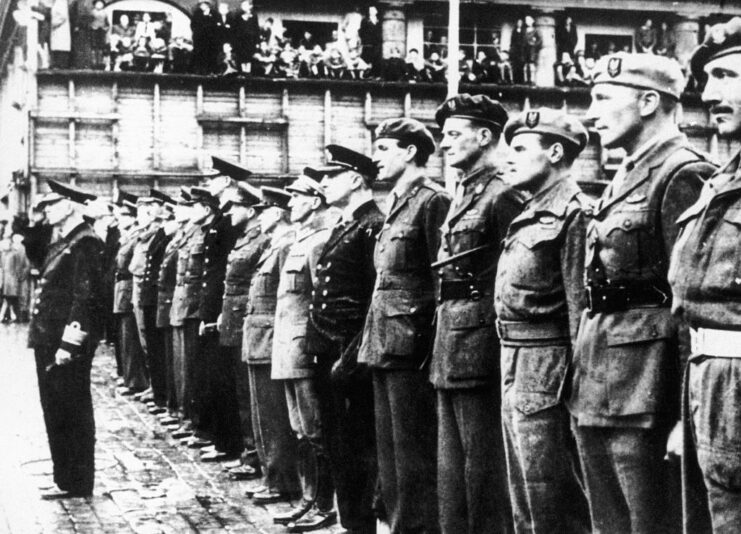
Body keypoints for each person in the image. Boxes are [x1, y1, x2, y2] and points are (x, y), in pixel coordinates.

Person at [568, 52, 717, 534]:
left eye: (602, 98)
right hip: (600, 380)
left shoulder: (683, 173)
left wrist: (684, 416)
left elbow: (691, 306)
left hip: (648, 393)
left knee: (650, 523)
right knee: (609, 523)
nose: (591, 114)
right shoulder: (627, 171)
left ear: (649, 102)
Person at [497, 108, 592, 533]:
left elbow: (580, 307)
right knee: (523, 487)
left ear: (555, 152)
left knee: (550, 489)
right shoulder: (530, 209)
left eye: (519, 149)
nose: (508, 159)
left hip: (548, 363)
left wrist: (577, 384)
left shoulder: (574, 213)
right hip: (515, 358)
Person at [432, 94, 521, 534]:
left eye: (453, 134)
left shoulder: (503, 193)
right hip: (451, 339)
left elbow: (512, 274)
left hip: (479, 344)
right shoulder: (465, 189)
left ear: (485, 136)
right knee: (453, 466)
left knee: (482, 466)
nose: (444, 144)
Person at [360, 118, 451, 534]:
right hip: (384, 341)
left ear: (410, 151)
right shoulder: (398, 202)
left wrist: (430, 346)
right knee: (391, 452)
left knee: (413, 453)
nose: (375, 158)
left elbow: (440, 282)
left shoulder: (433, 201)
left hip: (412, 346)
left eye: (383, 149)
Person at [670, 17, 741, 532]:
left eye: (729, 77)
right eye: (709, 78)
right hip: (706, 380)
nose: (710, 92)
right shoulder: (720, 181)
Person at [303, 145, 384, 534]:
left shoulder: (372, 225)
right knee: (338, 446)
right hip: (328, 350)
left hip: (349, 354)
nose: (323, 184)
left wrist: (351, 358)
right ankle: (352, 522)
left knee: (355, 449)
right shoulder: (345, 224)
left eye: (330, 176)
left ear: (355, 180)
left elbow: (376, 298)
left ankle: (361, 525)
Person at [28, 179, 103, 499]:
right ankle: (65, 479)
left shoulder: (85, 242)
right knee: (55, 411)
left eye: (53, 204)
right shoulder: (65, 240)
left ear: (71, 205)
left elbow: (84, 299)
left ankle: (78, 481)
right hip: (48, 339)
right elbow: (35, 254)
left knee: (71, 412)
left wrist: (69, 345)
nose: (47, 211)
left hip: (63, 344)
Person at [270, 175, 335, 530]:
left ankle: (325, 505)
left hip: (303, 350)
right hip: (286, 348)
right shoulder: (300, 239)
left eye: (296, 198)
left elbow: (318, 304)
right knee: (300, 430)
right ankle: (309, 499)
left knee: (316, 430)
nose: (290, 204)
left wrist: (313, 347)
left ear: (314, 201)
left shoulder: (320, 241)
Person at [242, 186, 301, 505]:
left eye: (264, 211)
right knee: (262, 415)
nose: (259, 217)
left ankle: (282, 481)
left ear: (277, 214)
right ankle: (271, 476)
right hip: (257, 338)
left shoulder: (286, 245)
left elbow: (285, 301)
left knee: (274, 417)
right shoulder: (275, 245)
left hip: (269, 340)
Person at [217, 175, 268, 474]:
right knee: (241, 388)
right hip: (235, 320)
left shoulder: (261, 240)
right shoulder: (243, 238)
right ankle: (250, 451)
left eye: (234, 206)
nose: (228, 212)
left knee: (250, 392)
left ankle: (255, 456)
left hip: (247, 320)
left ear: (250, 210)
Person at [130, 194, 171, 413]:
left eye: (143, 212)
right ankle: (154, 386)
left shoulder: (157, 233)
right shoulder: (144, 235)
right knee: (145, 341)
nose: (139, 217)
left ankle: (158, 390)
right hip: (142, 290)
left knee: (152, 344)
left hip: (153, 294)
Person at [113, 193, 149, 396]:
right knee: (125, 338)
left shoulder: (136, 237)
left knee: (131, 338)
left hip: (129, 289)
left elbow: (131, 265)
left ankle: (136, 381)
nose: (121, 219)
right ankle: (129, 378)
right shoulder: (127, 237)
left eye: (125, 216)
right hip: (122, 290)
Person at [0, 234, 29, 322]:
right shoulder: (4, 254)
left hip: (11, 280)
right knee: (8, 299)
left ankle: (3, 315)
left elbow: (18, 267)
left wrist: (17, 276)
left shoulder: (15, 253)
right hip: (5, 279)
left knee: (8, 299)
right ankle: (11, 315)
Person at [232, 0, 259, 73]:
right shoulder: (238, 16)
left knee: (249, 59)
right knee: (242, 59)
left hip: (250, 42)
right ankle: (243, 74)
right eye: (242, 5)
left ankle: (248, 75)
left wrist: (257, 42)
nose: (243, 7)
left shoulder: (254, 16)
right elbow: (235, 30)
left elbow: (256, 29)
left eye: (245, 5)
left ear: (250, 6)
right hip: (241, 42)